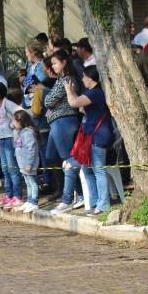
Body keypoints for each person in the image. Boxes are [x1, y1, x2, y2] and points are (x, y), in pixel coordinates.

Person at [64, 65, 114, 215]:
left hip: (98, 136)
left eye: (84, 76)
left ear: (90, 78)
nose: (82, 79)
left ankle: (103, 204)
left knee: (98, 170)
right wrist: (73, 93)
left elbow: (73, 103)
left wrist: (68, 91)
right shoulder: (92, 93)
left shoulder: (96, 93)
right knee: (87, 170)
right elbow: (81, 107)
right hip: (91, 135)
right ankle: (94, 202)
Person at [44, 50, 84, 213]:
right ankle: (78, 192)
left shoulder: (67, 79)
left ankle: (68, 198)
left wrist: (50, 101)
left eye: (55, 63)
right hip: (56, 122)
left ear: (64, 62)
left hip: (64, 122)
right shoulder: (60, 79)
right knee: (50, 156)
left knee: (68, 161)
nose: (52, 66)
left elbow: (49, 100)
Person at [0, 82, 23, 209]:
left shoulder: (7, 103)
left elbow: (20, 112)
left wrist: (12, 126)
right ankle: (9, 195)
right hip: (1, 140)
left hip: (9, 139)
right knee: (5, 169)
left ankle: (17, 196)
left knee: (12, 169)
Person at [13, 110, 40, 213]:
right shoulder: (21, 132)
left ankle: (34, 202)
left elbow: (31, 149)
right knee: (27, 183)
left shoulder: (28, 133)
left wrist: (29, 164)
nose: (13, 124)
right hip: (22, 164)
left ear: (21, 121)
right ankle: (29, 201)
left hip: (29, 165)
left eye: (15, 121)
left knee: (32, 183)